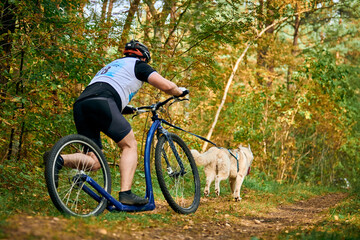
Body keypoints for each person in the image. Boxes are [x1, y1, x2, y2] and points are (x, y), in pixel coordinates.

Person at [49, 40, 187, 206]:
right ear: (143, 57)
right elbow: (166, 86)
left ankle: (57, 159)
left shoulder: (111, 66)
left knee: (94, 160)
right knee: (129, 145)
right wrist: (179, 91)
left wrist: (127, 108)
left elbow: (107, 87)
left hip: (82, 104)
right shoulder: (138, 65)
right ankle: (126, 193)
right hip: (103, 101)